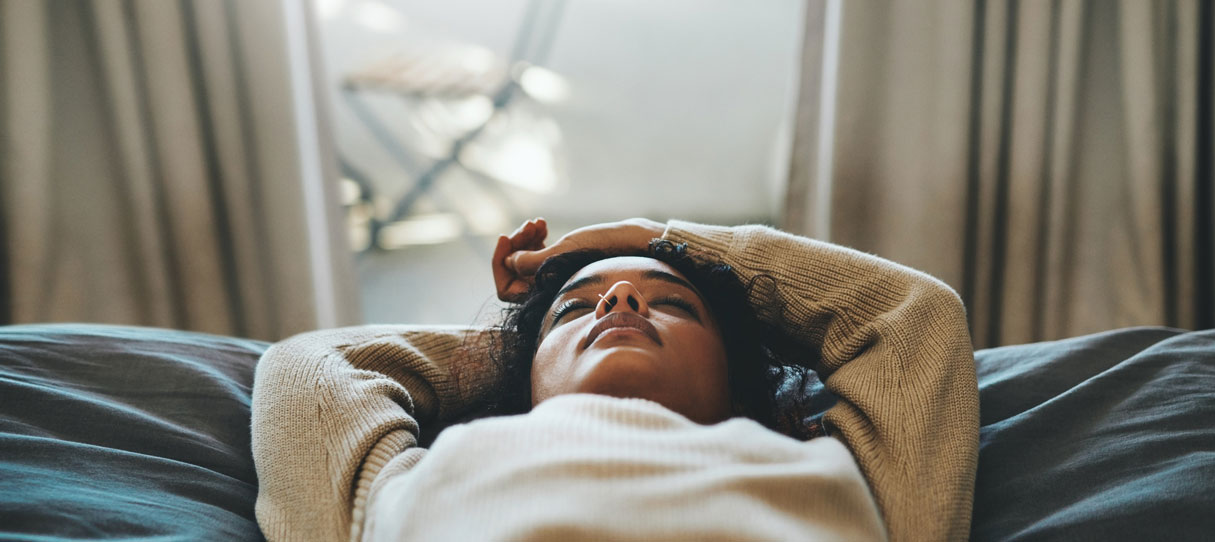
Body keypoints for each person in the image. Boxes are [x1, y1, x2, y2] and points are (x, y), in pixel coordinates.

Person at [251, 218, 979, 542]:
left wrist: (650, 235)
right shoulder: (428, 473)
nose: (621, 299)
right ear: (524, 379)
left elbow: (917, 316)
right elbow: (312, 367)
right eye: (580, 310)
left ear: (735, 379)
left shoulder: (829, 466)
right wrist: (515, 345)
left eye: (672, 303)